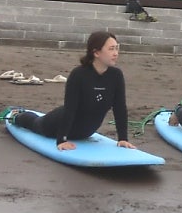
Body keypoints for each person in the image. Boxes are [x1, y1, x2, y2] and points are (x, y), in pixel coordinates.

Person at [8, 31, 136, 151]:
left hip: (86, 132)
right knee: (35, 123)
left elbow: (120, 108)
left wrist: (123, 138)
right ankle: (17, 115)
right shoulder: (79, 75)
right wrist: (62, 139)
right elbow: (70, 108)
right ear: (96, 52)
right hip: (55, 127)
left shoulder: (116, 75)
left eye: (116, 48)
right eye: (111, 49)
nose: (116, 53)